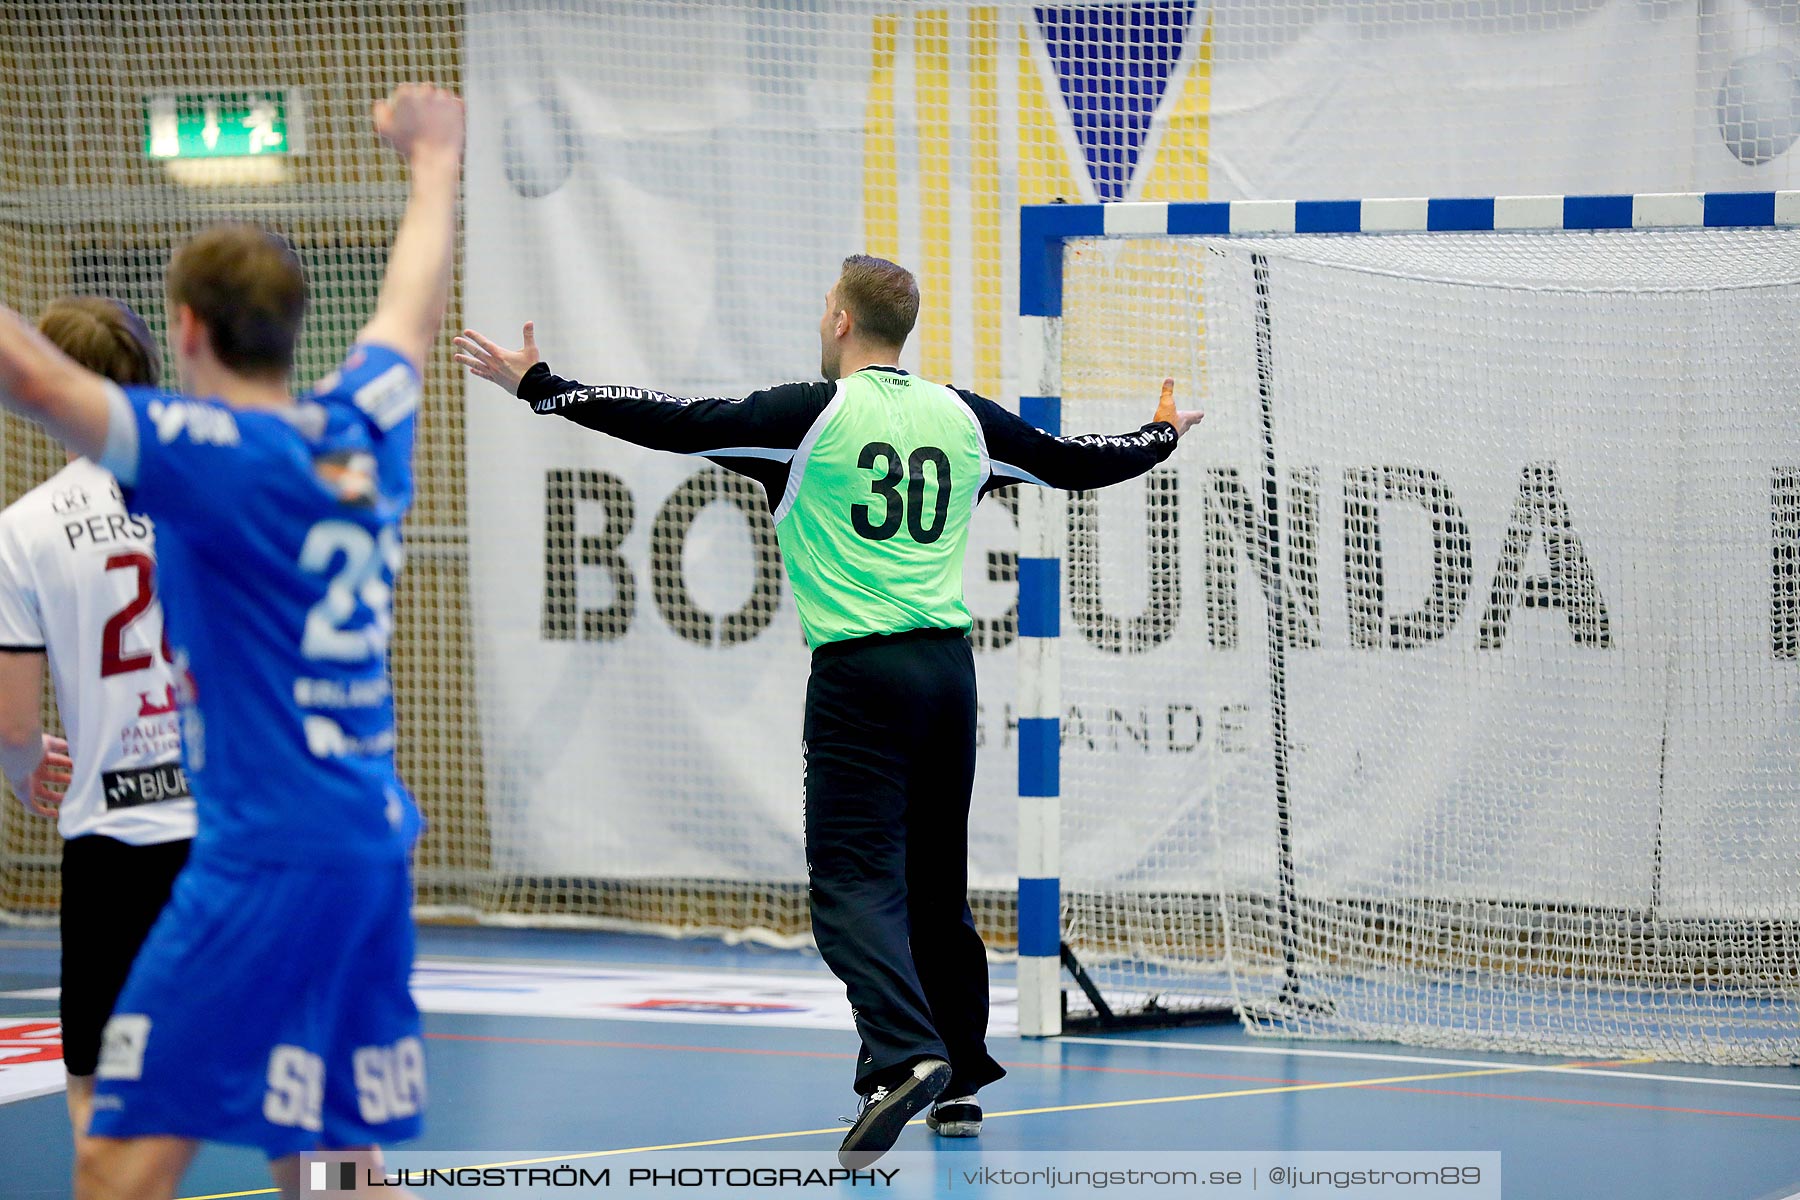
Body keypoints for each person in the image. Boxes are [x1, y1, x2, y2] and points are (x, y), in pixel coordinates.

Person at [455, 253, 1203, 1166]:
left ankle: (904, 1058)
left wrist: (542, 387)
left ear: (842, 322)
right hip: (946, 675)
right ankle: (959, 1075)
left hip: (860, 679)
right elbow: (1069, 463)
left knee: (852, 882)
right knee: (934, 885)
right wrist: (1158, 435)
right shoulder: (961, 416)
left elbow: (674, 425)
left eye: (823, 309)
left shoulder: (809, 417)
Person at [0, 83, 462, 1200]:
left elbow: (31, 373)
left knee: (117, 1161)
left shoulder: (198, 448)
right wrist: (436, 165)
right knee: (336, 1167)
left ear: (190, 332)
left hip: (264, 855)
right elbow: (409, 312)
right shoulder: (360, 427)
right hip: (369, 842)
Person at [0, 296, 196, 1169]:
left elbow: (14, 721)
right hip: (233, 833)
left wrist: (19, 768)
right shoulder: (212, 490)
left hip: (115, 840)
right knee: (280, 1083)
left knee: (98, 1083)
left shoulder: (25, 528)